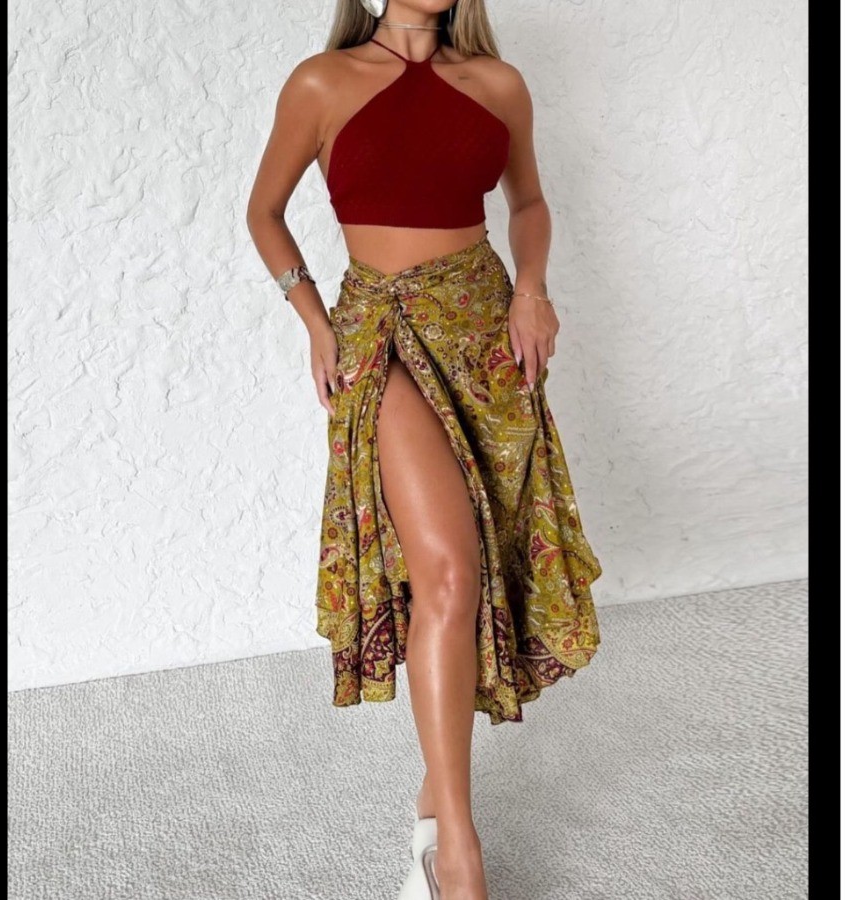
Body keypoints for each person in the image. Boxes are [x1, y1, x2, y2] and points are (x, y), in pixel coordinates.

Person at [246, 2, 602, 897]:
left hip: (484, 333)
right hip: (379, 337)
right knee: (445, 566)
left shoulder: (497, 83)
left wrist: (533, 290)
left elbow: (528, 201)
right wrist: (314, 320)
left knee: (482, 566)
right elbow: (264, 213)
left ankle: (432, 813)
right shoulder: (322, 81)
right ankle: (459, 854)